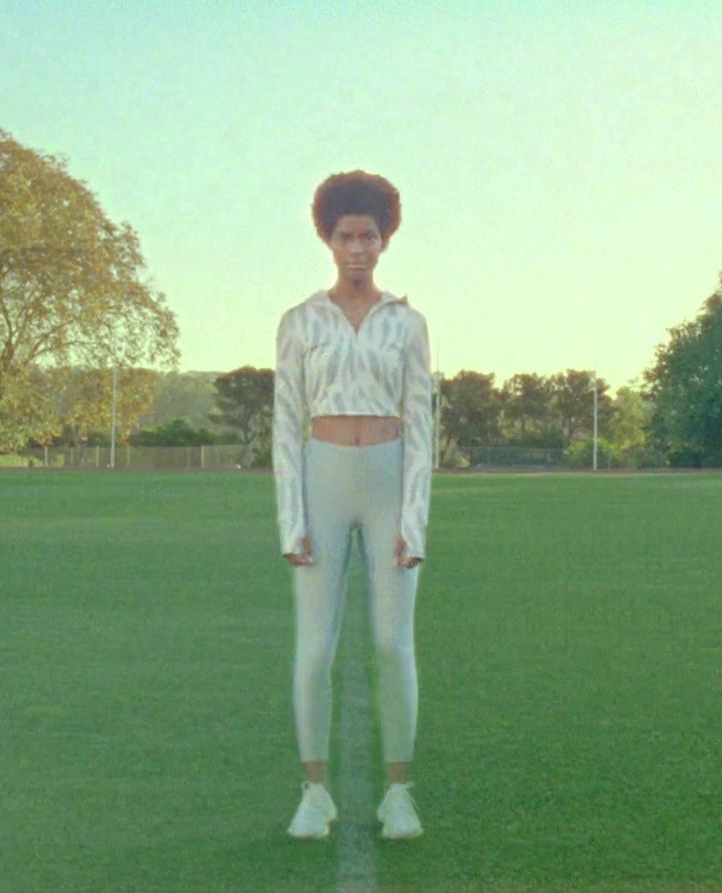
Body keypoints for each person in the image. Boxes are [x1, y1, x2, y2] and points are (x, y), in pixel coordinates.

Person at [273, 170, 432, 841]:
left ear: (385, 237)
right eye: (347, 235)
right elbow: (286, 424)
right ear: (327, 237)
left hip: (390, 477)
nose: (358, 247)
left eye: (370, 234)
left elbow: (422, 423)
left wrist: (413, 518)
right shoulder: (301, 321)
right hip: (324, 478)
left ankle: (399, 792)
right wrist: (292, 518)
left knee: (393, 644)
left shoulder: (409, 323)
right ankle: (315, 790)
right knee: (316, 649)